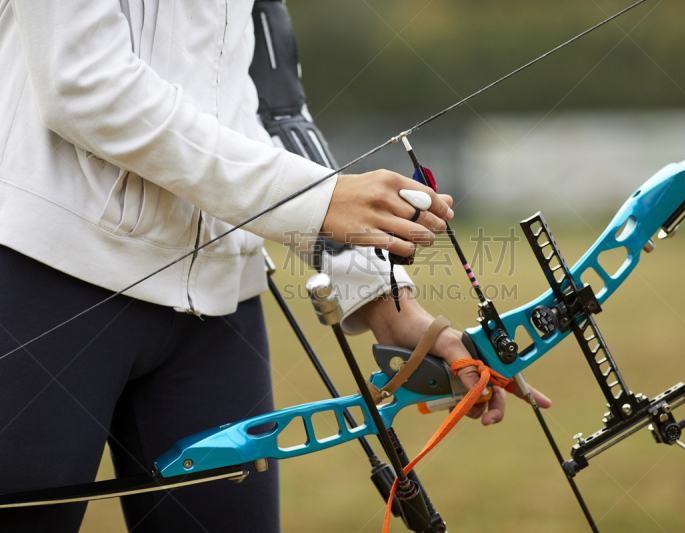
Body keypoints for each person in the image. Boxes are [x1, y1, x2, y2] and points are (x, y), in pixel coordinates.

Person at [0, 1, 550, 531]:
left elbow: (274, 107)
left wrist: (388, 305)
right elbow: (83, 81)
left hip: (218, 304)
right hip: (44, 274)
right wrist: (317, 199)